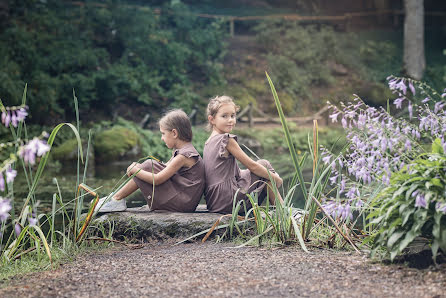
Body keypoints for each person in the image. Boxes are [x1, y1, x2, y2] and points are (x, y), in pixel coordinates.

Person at [95, 109, 205, 213]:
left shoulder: (184, 156)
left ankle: (116, 199)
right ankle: (115, 198)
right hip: (183, 199)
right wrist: (139, 167)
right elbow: (164, 168)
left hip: (183, 203)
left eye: (163, 133)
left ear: (174, 133)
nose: (162, 138)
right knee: (148, 165)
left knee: (149, 164)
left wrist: (136, 170)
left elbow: (158, 179)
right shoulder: (182, 151)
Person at [203, 95, 283, 214]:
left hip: (215, 201)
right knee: (264, 166)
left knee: (264, 170)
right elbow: (253, 166)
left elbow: (231, 172)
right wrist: (277, 178)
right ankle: (284, 213)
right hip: (229, 201)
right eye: (224, 116)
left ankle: (282, 210)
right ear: (212, 119)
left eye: (232, 116)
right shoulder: (227, 140)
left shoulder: (209, 141)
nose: (230, 120)